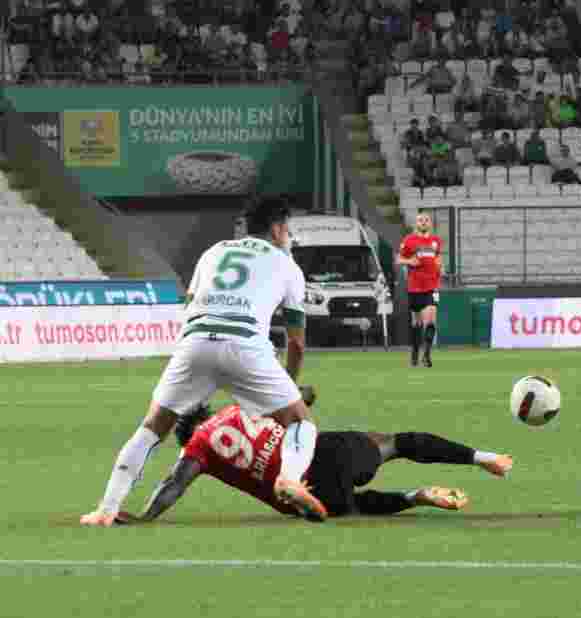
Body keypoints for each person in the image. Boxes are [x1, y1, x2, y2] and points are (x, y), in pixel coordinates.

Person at [80, 195, 323, 527]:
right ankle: (289, 480)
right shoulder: (287, 265)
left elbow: (191, 304)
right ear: (278, 229)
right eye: (287, 229)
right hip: (246, 345)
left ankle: (105, 509)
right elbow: (295, 341)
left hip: (195, 341)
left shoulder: (214, 251)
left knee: (152, 427)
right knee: (300, 423)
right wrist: (288, 387)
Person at [115, 399, 513, 523]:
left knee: (350, 506)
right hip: (330, 451)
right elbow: (296, 396)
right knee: (396, 443)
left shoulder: (198, 448)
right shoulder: (240, 405)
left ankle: (413, 497)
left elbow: (175, 484)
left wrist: (145, 516)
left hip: (309, 492)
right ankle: (483, 457)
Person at [395, 212, 442, 368]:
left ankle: (426, 355)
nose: (423, 222)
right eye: (420, 220)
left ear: (430, 223)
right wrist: (410, 261)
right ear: (416, 223)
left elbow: (438, 258)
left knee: (431, 321)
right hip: (415, 287)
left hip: (432, 286)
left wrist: (440, 266)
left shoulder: (436, 241)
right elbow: (398, 259)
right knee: (417, 323)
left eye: (426, 220)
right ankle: (415, 352)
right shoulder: (409, 240)